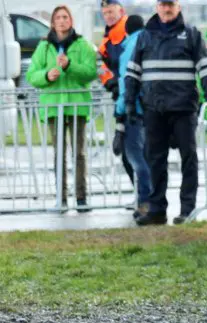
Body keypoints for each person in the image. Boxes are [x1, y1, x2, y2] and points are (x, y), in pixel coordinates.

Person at [125, 0, 207, 226]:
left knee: (189, 159)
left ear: (178, 7)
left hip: (184, 109)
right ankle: (157, 210)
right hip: (154, 110)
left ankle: (187, 210)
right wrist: (129, 100)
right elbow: (133, 72)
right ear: (157, 7)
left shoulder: (192, 34)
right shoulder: (145, 37)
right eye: (163, 5)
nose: (167, 9)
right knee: (155, 161)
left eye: (171, 5)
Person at [26, 5, 97, 212]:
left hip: (77, 106)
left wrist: (69, 67)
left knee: (79, 153)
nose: (62, 21)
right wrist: (47, 76)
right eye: (58, 17)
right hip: (54, 107)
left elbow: (90, 72)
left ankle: (81, 197)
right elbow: (32, 75)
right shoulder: (44, 47)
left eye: (65, 17)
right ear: (53, 22)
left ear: (71, 21)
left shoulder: (82, 45)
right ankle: (61, 197)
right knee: (59, 153)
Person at [115, 15, 151, 219]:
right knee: (149, 158)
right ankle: (152, 199)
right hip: (150, 109)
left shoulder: (129, 47)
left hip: (133, 110)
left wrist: (119, 111)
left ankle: (145, 201)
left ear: (126, 30)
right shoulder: (149, 41)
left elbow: (126, 82)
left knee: (137, 159)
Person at [98, 0, 136, 194]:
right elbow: (102, 68)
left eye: (111, 12)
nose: (109, 16)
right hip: (120, 99)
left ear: (121, 11)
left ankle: (146, 195)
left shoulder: (130, 34)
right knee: (127, 152)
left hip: (135, 100)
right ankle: (140, 193)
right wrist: (110, 83)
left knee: (135, 151)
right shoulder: (106, 42)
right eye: (105, 13)